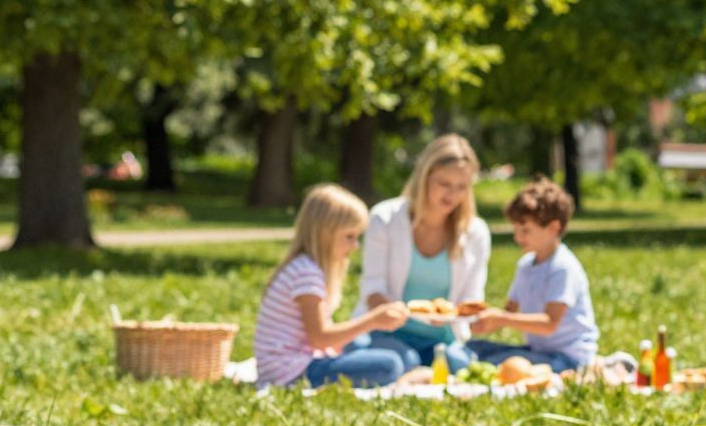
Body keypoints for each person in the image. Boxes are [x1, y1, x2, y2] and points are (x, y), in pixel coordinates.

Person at [253, 185, 410, 389]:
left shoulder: (304, 267)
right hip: (291, 372)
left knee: (360, 344)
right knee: (390, 365)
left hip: (295, 363)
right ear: (325, 234)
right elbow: (320, 338)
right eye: (349, 236)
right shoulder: (306, 273)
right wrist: (372, 320)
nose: (355, 246)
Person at [358, 135, 493, 369]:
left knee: (459, 364)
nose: (452, 195)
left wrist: (463, 316)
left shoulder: (475, 232)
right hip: (388, 334)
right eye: (444, 184)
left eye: (461, 186)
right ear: (424, 177)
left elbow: (471, 298)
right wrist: (396, 313)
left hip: (441, 339)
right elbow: (373, 288)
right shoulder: (385, 218)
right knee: (401, 363)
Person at [465, 177, 599, 373]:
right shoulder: (526, 265)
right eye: (516, 229)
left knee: (493, 364)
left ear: (553, 228)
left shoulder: (562, 267)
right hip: (540, 351)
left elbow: (549, 323)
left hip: (568, 358)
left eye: (525, 230)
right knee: (472, 349)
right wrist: (484, 320)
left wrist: (502, 319)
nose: (517, 237)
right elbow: (510, 311)